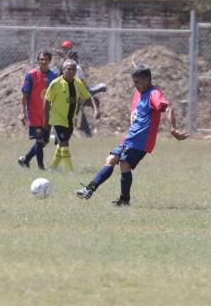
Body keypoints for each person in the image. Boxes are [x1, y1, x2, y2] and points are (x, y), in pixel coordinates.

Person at [75, 64, 188, 205]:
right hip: (129, 138)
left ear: (147, 79)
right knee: (110, 159)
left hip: (141, 140)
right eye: (134, 81)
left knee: (124, 164)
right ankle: (89, 189)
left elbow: (168, 107)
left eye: (137, 82)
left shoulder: (154, 93)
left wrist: (173, 128)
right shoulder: (137, 94)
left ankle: (123, 200)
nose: (135, 85)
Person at [43, 58, 100, 171]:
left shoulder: (78, 83)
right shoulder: (56, 84)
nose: (72, 71)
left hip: (70, 120)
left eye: (74, 69)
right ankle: (70, 171)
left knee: (62, 144)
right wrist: (46, 119)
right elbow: (47, 101)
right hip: (57, 119)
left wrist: (96, 110)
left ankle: (53, 167)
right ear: (63, 70)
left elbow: (88, 96)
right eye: (69, 69)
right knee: (64, 143)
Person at [18, 50, 57, 169]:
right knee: (40, 141)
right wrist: (23, 112)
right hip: (34, 114)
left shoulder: (54, 76)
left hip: (47, 115)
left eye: (45, 59)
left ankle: (26, 159)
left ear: (50, 61)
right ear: (38, 61)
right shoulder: (31, 75)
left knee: (44, 141)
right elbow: (25, 95)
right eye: (41, 59)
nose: (43, 62)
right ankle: (41, 167)